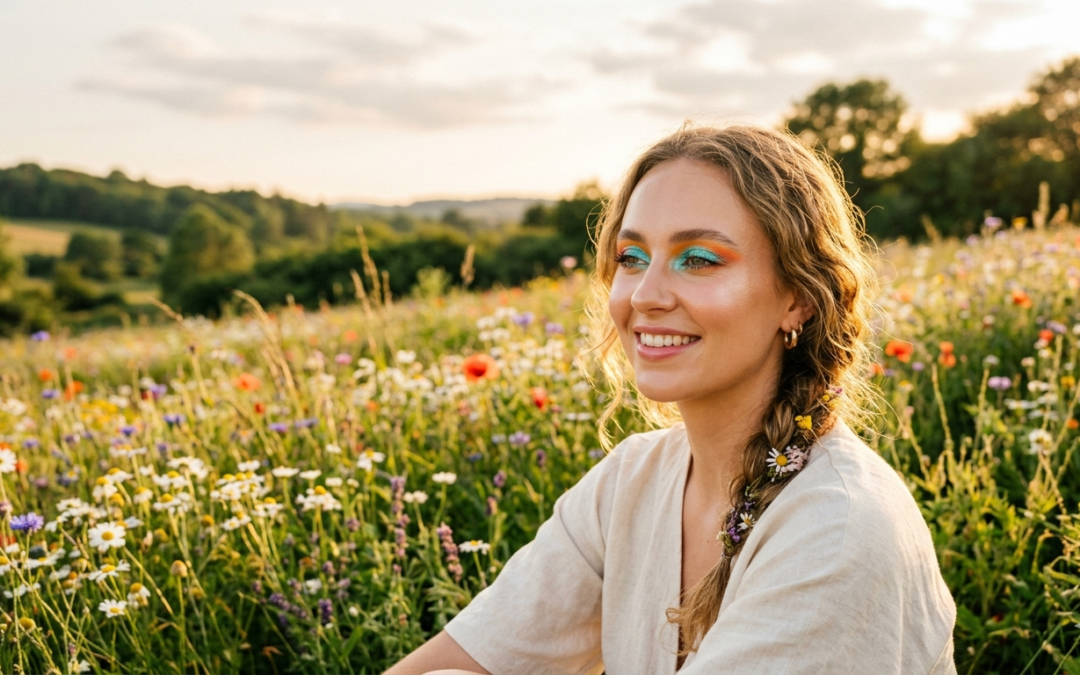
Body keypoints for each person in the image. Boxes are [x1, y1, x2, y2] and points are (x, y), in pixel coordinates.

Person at [386, 124, 957, 675]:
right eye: (632, 258)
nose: (645, 295)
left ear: (798, 299)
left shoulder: (838, 528)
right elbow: (465, 656)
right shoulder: (631, 481)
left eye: (699, 259)